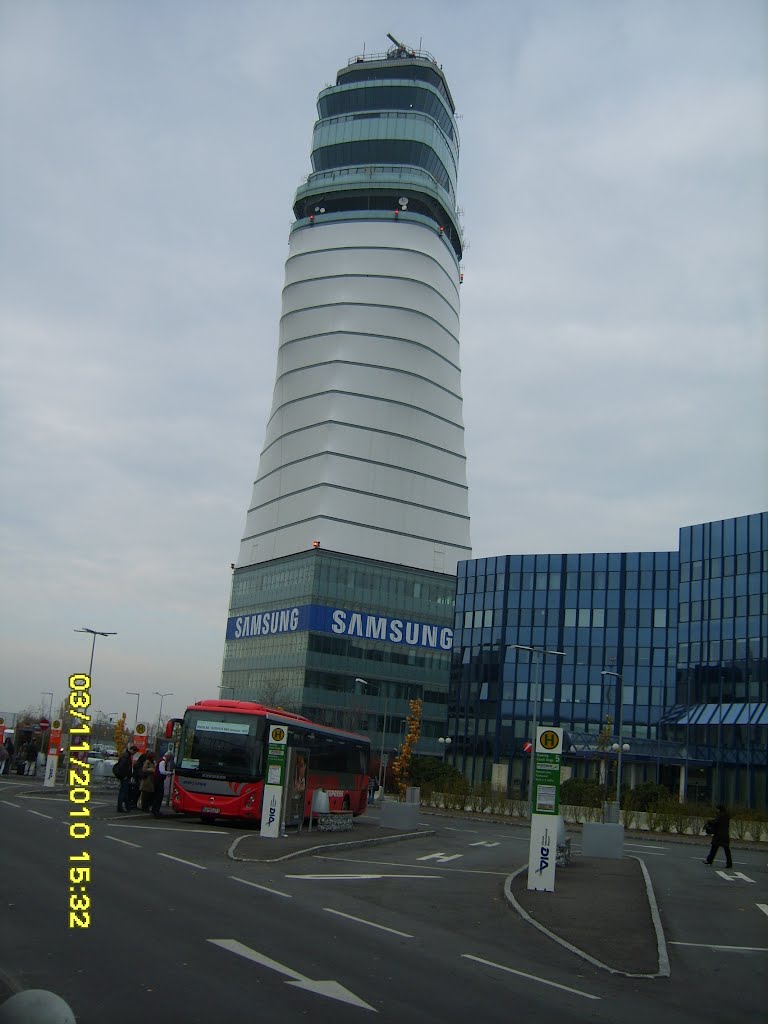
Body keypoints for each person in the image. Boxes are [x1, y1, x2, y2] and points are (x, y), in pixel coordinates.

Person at [704, 804, 733, 869]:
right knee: (727, 850)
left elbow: (715, 822)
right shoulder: (727, 815)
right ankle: (729, 863)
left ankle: (709, 860)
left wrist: (709, 821)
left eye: (717, 809)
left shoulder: (720, 815)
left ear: (719, 809)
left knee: (714, 848)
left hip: (718, 835)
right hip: (725, 835)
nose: (716, 810)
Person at [115, 744, 138, 813]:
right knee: (123, 792)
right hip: (125, 777)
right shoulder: (126, 756)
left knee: (125, 792)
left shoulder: (126, 755)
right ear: (132, 750)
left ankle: (126, 807)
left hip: (125, 776)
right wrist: (125, 776)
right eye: (134, 752)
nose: (134, 754)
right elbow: (123, 767)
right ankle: (121, 807)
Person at [151, 751, 173, 818]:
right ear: (168, 757)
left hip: (158, 780)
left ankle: (155, 810)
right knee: (159, 796)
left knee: (158, 796)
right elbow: (162, 771)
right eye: (170, 758)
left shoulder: (162, 761)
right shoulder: (163, 762)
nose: (170, 760)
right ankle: (155, 810)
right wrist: (170, 773)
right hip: (158, 781)